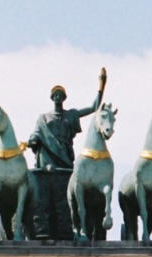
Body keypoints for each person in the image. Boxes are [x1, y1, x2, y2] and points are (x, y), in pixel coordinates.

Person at [27, 69, 107, 239]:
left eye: (60, 95)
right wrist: (33, 139)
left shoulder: (71, 115)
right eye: (55, 95)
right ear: (52, 98)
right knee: (45, 196)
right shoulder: (43, 118)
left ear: (64, 98)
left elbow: (94, 107)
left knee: (67, 197)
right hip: (47, 160)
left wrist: (102, 85)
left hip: (65, 160)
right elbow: (36, 133)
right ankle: (43, 229)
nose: (58, 97)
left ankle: (72, 227)